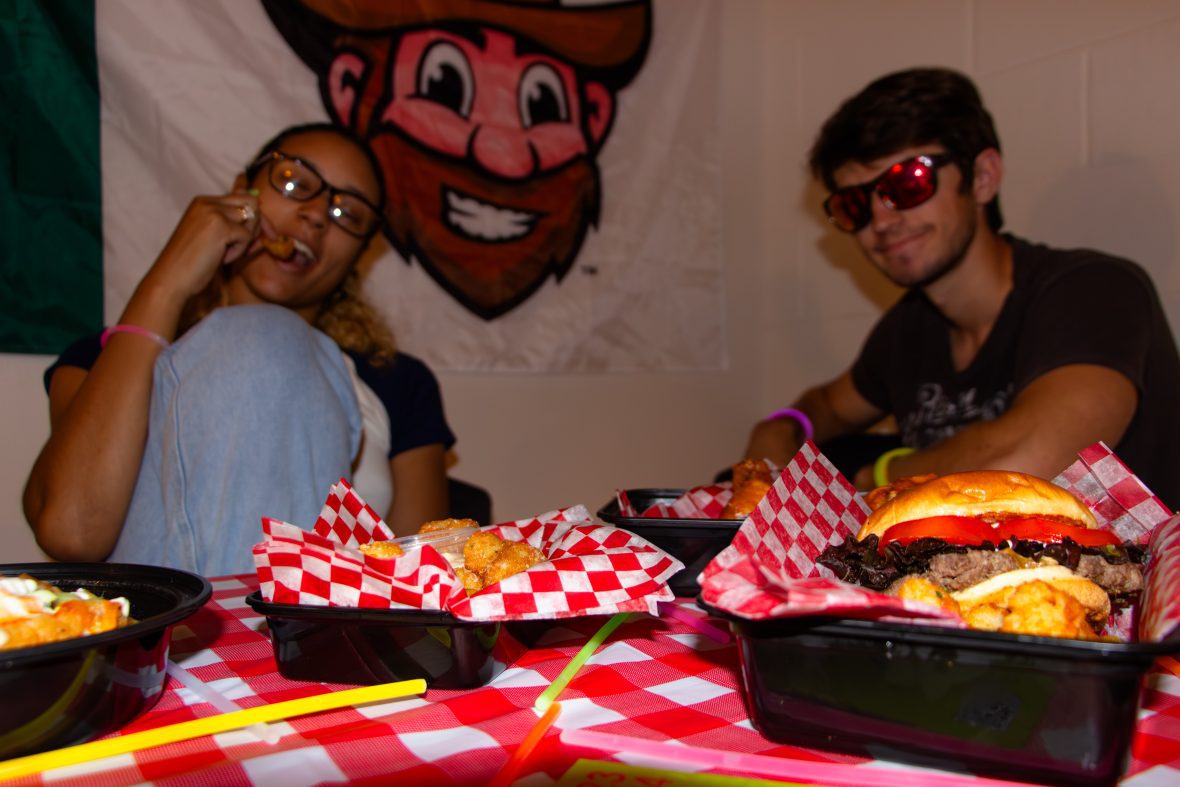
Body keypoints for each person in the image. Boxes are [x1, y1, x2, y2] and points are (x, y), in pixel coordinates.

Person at [23, 123, 456, 576]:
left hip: (328, 633)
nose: (316, 215)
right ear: (241, 191)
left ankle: (259, 640)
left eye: (348, 214)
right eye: (294, 182)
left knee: (268, 333)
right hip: (151, 627)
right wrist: (168, 279)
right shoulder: (108, 357)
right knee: (261, 333)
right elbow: (73, 528)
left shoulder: (399, 381)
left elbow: (420, 582)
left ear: (358, 256)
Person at [742, 67, 1180, 508]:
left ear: (983, 176)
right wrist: (781, 426)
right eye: (854, 203)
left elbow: (1027, 463)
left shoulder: (1096, 291)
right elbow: (826, 407)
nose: (881, 220)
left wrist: (875, 475)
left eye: (906, 183)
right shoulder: (907, 330)